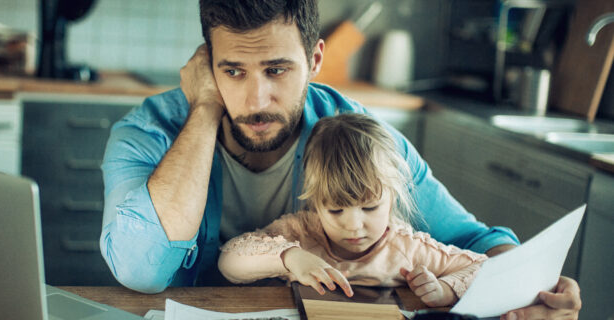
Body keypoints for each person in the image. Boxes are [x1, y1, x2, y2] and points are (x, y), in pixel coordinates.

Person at [99, 0, 582, 318]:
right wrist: (204, 108)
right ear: (206, 63)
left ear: (315, 60)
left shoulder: (357, 137)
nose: (256, 99)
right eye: (233, 71)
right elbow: (141, 269)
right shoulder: (149, 131)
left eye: (277, 69)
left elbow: (476, 240)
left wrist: (528, 291)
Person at [218, 113, 487, 307]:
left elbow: (484, 268)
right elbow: (228, 262)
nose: (354, 226)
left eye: (370, 207)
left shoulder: (408, 248)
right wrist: (290, 257)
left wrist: (445, 290)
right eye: (336, 211)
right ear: (316, 203)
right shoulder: (301, 232)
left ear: (392, 198)